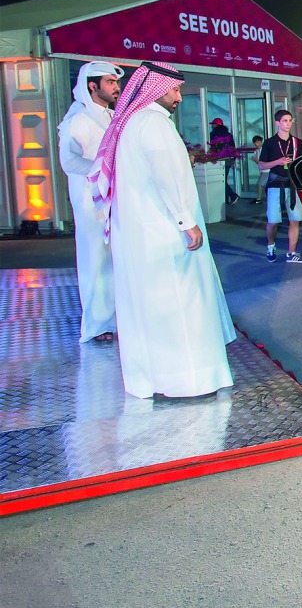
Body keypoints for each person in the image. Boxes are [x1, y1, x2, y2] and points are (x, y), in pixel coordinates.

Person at [87, 61, 235, 398]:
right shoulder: (153, 124)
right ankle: (189, 381)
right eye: (175, 89)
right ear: (156, 88)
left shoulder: (135, 122)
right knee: (181, 306)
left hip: (145, 237)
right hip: (165, 236)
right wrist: (187, 222)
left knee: (150, 310)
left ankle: (153, 380)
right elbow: (166, 176)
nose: (179, 97)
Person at [58, 60, 122, 344]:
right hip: (89, 202)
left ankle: (116, 320)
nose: (116, 87)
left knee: (114, 260)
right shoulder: (78, 118)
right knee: (95, 261)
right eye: (109, 82)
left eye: (116, 81)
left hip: (111, 199)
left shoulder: (108, 116)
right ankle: (97, 325)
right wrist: (102, 171)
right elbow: (69, 161)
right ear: (91, 86)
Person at [259, 110, 302, 264]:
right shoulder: (269, 143)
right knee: (273, 220)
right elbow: (261, 166)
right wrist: (277, 162)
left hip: (293, 185)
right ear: (277, 123)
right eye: (285, 120)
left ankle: (291, 253)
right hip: (275, 184)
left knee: (295, 220)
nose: (288, 123)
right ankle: (270, 245)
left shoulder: (297, 143)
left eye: (290, 120)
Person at [209, 117, 239, 204]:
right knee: (223, 179)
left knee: (221, 181)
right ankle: (225, 199)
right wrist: (233, 160)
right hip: (228, 160)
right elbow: (233, 148)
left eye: (213, 125)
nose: (212, 126)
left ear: (215, 125)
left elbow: (212, 148)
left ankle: (233, 195)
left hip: (219, 160)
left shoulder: (213, 134)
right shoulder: (228, 135)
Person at [251, 135, 267, 203]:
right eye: (255, 142)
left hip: (267, 170)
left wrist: (255, 159)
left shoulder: (264, 150)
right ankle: (260, 198)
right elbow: (258, 162)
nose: (256, 144)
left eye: (258, 142)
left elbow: (261, 162)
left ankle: (259, 198)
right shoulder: (256, 151)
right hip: (263, 170)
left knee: (260, 184)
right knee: (263, 184)